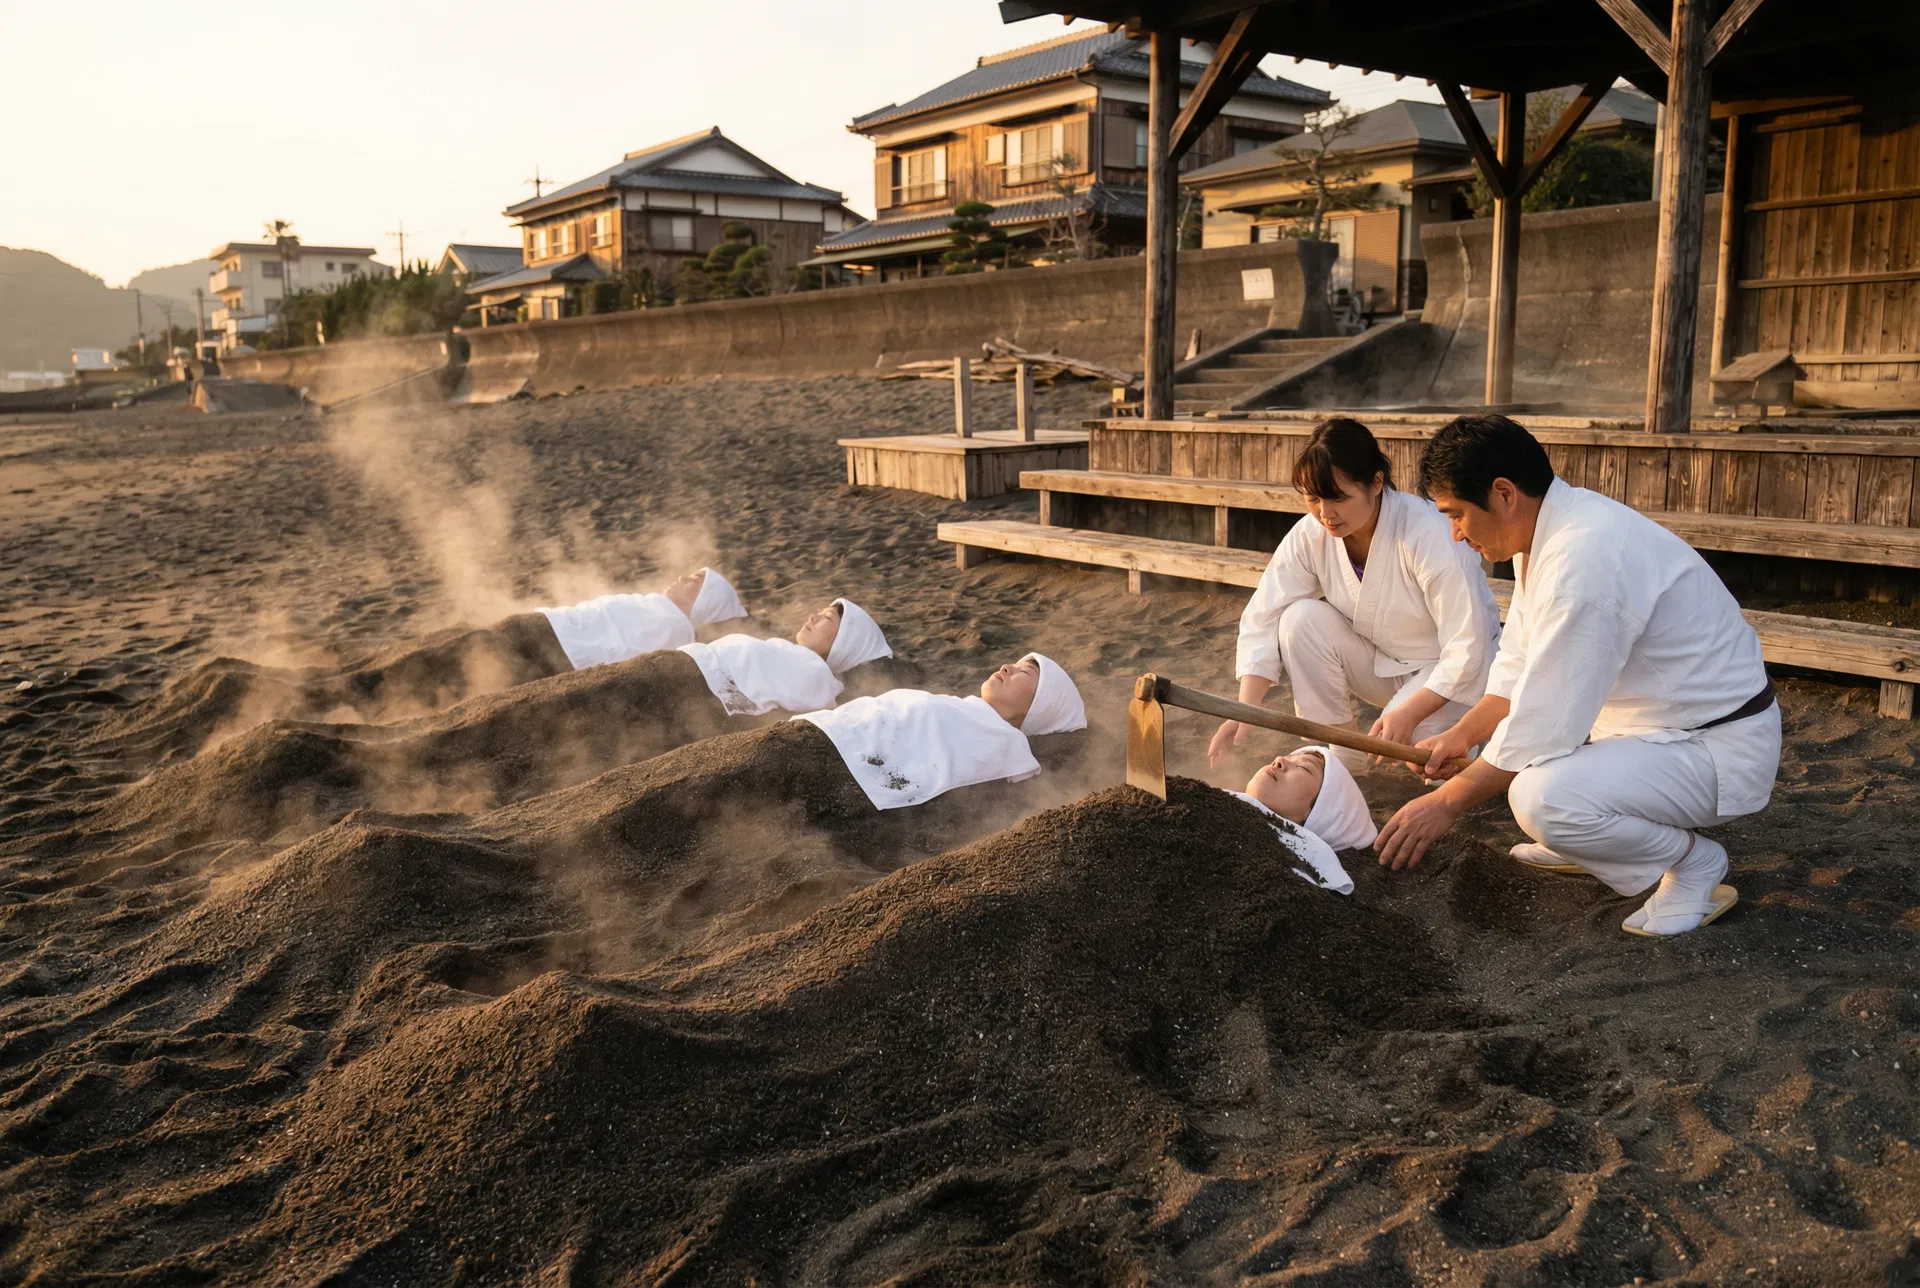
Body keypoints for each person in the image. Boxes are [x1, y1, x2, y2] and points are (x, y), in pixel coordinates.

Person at [1374, 415, 1781, 937]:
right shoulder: (1548, 530)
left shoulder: (1584, 556)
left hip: (1716, 747)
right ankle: (1594, 840)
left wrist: (1444, 804)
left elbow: (1544, 720)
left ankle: (1693, 862)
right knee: (1527, 767)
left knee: (1540, 798)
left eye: (1456, 515)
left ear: (1503, 493)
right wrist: (1461, 734)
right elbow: (1520, 665)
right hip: (1654, 733)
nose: (1455, 533)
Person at [1209, 418, 1500, 776]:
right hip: (1382, 663)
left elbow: (1469, 647)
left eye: (1338, 498)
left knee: (1421, 749)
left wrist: (1408, 713)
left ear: (1376, 483)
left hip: (1453, 673)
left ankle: (1472, 734)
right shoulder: (1311, 533)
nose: (1325, 514)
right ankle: (1340, 755)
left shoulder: (1428, 533)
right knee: (1298, 620)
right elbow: (1266, 612)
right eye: (1313, 498)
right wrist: (1245, 711)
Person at [798, 653, 1085, 809]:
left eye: (1025, 672)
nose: (1007, 667)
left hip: (833, 757)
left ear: (1040, 707)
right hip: (825, 728)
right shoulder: (965, 707)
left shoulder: (1009, 743)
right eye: (1016, 662)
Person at [680, 598, 892, 716]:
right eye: (819, 612)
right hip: (692, 659)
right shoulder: (787, 650)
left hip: (694, 678)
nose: (812, 617)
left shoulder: (819, 675)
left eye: (827, 618)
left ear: (844, 643)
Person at [1224, 744, 1379, 895]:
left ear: (1321, 816)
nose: (1279, 760)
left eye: (1304, 768)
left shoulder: (1285, 878)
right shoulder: (1215, 803)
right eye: (1288, 757)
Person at [538, 567, 747, 671]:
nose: (681, 578)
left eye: (694, 580)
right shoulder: (657, 607)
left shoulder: (672, 625)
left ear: (704, 601)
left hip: (560, 642)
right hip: (556, 625)